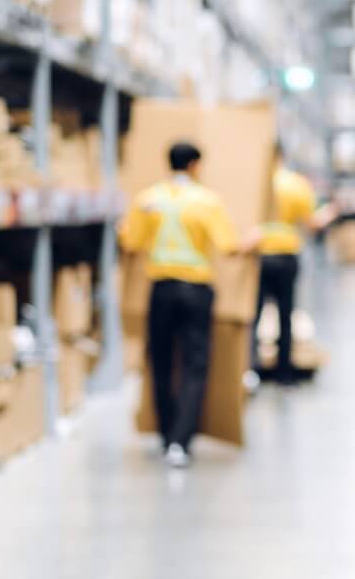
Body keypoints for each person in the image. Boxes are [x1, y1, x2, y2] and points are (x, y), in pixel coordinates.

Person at [119, 141, 250, 468]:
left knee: (160, 361)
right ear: (194, 165)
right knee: (195, 364)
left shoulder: (148, 200)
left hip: (160, 288)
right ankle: (181, 441)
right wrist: (254, 240)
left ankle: (165, 437)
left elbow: (131, 242)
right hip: (196, 289)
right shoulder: (206, 201)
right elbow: (229, 246)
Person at [251, 145, 319, 386]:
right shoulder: (297, 184)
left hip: (259, 255)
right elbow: (311, 223)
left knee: (255, 313)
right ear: (283, 156)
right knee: (285, 312)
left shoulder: (255, 183)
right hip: (286, 255)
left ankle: (253, 369)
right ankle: (283, 373)